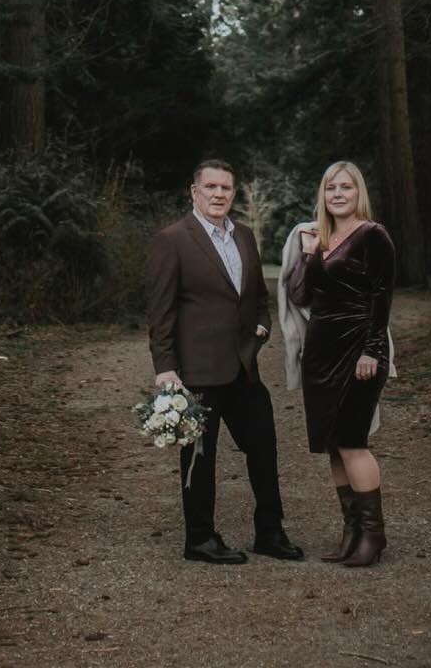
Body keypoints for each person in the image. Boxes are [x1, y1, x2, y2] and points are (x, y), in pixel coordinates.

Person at [144, 158, 304, 565]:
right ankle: (199, 538)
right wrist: (165, 369)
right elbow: (161, 312)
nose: (219, 194)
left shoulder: (245, 236)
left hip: (243, 369)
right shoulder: (173, 239)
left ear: (233, 193)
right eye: (210, 187)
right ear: (194, 191)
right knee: (199, 456)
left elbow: (256, 297)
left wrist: (263, 326)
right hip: (196, 373)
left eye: (226, 188)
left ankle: (269, 532)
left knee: (263, 447)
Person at [284, 160, 396, 567]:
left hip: (358, 350)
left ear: (358, 192)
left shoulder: (373, 236)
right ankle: (351, 531)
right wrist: (311, 255)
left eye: (345, 187)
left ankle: (373, 534)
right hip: (320, 353)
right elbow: (299, 294)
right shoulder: (316, 237)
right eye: (330, 187)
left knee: (353, 440)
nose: (337, 194)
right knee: (333, 446)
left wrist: (373, 351)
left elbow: (381, 298)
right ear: (323, 195)